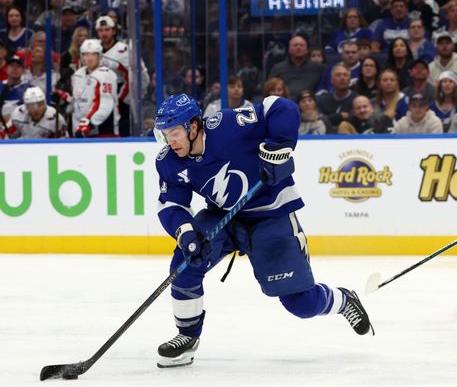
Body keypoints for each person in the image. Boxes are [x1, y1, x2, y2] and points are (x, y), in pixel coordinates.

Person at [152, 93, 373, 367]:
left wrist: (280, 145)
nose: (170, 141)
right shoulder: (168, 161)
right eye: (164, 134)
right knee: (185, 262)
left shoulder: (228, 126)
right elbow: (170, 204)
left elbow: (279, 107)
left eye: (175, 132)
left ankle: (342, 299)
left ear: (194, 126)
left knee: (300, 303)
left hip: (271, 213)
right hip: (224, 215)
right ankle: (187, 337)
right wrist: (185, 231)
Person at [96, 15, 149, 137]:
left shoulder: (125, 50)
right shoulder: (93, 49)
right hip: (100, 95)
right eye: (101, 30)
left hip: (122, 97)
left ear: (114, 31)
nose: (104, 33)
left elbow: (141, 75)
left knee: (122, 130)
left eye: (107, 29)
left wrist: (128, 98)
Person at [70, 39, 118, 137]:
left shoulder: (106, 75)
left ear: (99, 56)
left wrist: (90, 123)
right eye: (86, 54)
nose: (89, 58)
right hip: (79, 130)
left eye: (93, 55)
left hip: (101, 129)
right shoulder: (78, 74)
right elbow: (76, 101)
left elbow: (106, 104)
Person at [316, 64, 356, 132]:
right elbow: (320, 121)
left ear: (349, 80)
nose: (342, 78)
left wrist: (330, 118)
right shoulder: (323, 99)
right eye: (338, 75)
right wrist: (339, 116)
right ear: (331, 80)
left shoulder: (356, 100)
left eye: (345, 75)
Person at [0, 55, 32, 119]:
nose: (14, 68)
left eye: (18, 66)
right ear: (6, 69)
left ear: (23, 70)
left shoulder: (30, 89)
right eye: (12, 66)